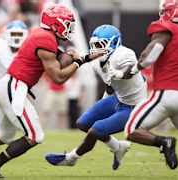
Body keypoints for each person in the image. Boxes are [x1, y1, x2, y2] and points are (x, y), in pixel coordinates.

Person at [0, 4, 101, 178]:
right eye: (66, 24)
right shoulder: (46, 39)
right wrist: (80, 61)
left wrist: (71, 56)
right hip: (14, 87)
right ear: (56, 24)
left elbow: (59, 61)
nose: (69, 28)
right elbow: (58, 76)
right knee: (35, 135)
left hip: (9, 86)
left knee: (3, 136)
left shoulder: (43, 35)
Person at [45, 25, 147, 170]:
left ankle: (72, 158)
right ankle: (117, 147)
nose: (96, 50)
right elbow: (109, 84)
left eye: (100, 45)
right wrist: (78, 57)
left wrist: (120, 73)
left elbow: (131, 69)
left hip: (134, 105)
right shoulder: (99, 61)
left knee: (96, 129)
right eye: (94, 46)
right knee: (83, 123)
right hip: (118, 99)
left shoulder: (123, 54)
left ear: (113, 43)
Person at [124, 0, 178, 170]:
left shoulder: (167, 28)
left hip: (166, 94)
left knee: (132, 129)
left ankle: (164, 142)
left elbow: (151, 56)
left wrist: (134, 69)